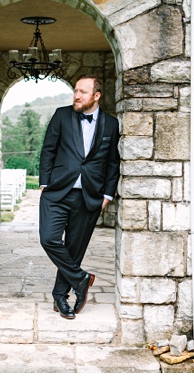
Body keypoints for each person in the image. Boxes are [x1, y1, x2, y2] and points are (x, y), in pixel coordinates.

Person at [38, 75, 121, 319]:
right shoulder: (62, 115)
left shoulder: (111, 124)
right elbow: (48, 149)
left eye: (83, 92)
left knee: (74, 250)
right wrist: (45, 182)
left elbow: (112, 162)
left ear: (96, 96)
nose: (77, 95)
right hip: (57, 192)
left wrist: (108, 193)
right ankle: (81, 279)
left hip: (90, 196)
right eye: (75, 91)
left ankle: (60, 297)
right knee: (49, 239)